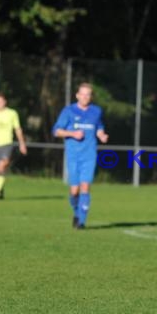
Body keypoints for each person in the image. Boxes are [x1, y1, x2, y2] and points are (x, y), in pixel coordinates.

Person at [52, 82, 108, 229]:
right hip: (73, 156)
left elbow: (99, 126)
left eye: (88, 94)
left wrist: (101, 135)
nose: (85, 97)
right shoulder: (68, 111)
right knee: (74, 191)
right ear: (77, 95)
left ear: (91, 97)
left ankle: (81, 222)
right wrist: (72, 134)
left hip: (89, 155)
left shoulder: (96, 111)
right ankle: (77, 212)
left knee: (85, 187)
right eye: (82, 94)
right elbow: (56, 131)